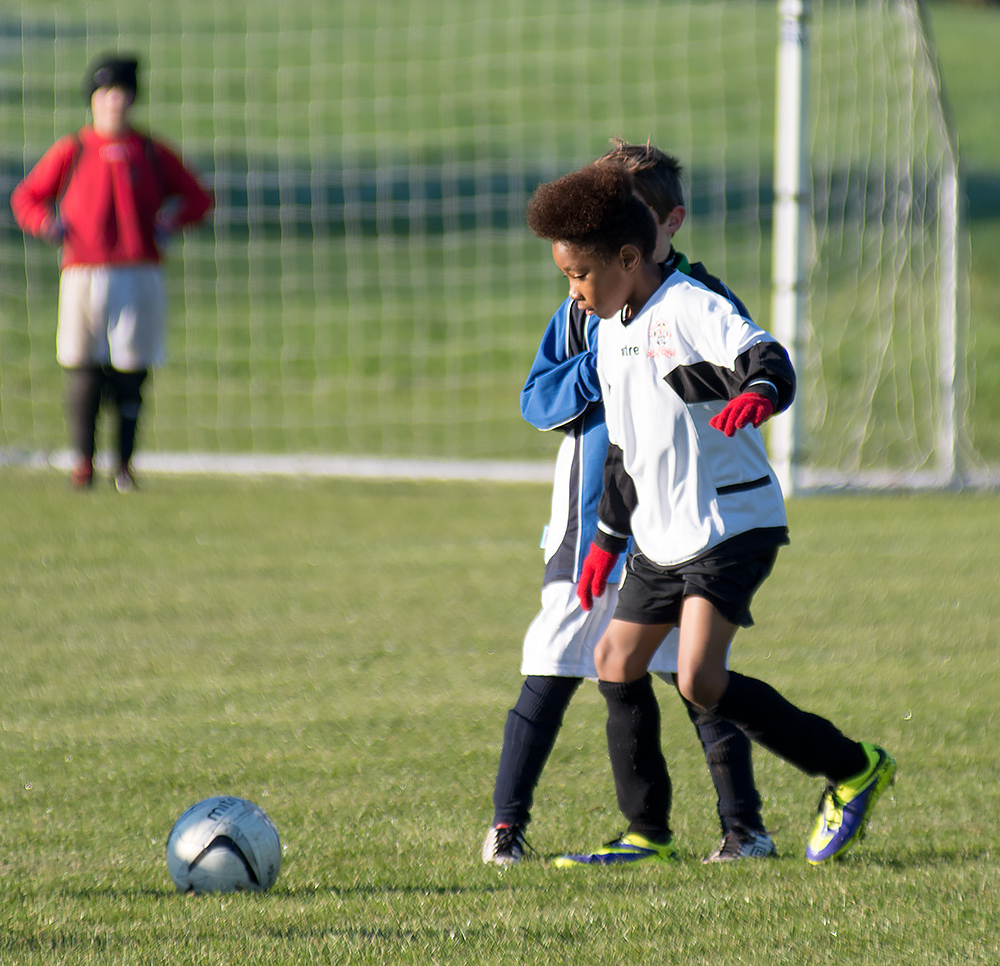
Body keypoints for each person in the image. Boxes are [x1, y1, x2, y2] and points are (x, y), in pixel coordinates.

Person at [523, 160, 895, 868]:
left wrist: (761, 391)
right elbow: (625, 456)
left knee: (698, 677)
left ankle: (853, 767)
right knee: (614, 660)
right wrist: (605, 541)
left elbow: (763, 352)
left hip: (731, 525)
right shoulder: (609, 330)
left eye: (578, 276)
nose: (572, 292)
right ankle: (646, 833)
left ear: (628, 258)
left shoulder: (689, 304)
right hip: (660, 539)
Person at [482, 142, 775, 867]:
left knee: (691, 676)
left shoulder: (698, 304)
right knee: (553, 657)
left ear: (665, 224)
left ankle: (744, 829)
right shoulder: (583, 309)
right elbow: (536, 399)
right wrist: (608, 363)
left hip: (677, 524)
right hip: (590, 519)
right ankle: (506, 828)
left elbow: (737, 374)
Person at [11, 52, 212, 491]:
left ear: (132, 100)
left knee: (131, 370)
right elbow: (27, 197)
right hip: (83, 273)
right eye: (105, 94)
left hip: (139, 273)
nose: (113, 103)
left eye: (121, 94)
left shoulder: (151, 151)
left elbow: (198, 198)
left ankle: (124, 466)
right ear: (94, 100)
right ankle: (82, 463)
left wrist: (170, 221)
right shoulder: (74, 149)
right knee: (83, 366)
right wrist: (46, 223)